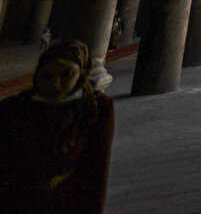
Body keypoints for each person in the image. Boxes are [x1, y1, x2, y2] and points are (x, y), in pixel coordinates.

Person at [0, 40, 116, 213]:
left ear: (82, 74)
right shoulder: (13, 107)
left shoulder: (95, 108)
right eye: (47, 75)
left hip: (63, 204)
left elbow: (96, 174)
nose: (55, 83)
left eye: (65, 74)